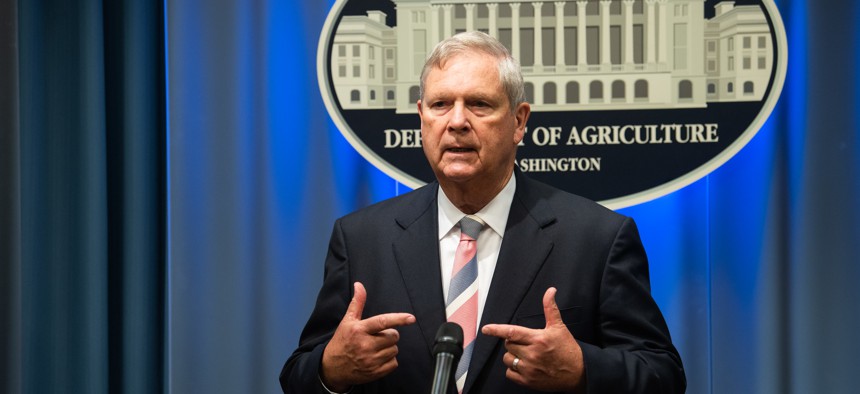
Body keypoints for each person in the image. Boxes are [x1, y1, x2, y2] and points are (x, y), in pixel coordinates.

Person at [280, 31, 685, 394]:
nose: (457, 122)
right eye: (441, 104)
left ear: (519, 122)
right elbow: (300, 374)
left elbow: (662, 375)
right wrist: (331, 371)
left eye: (478, 104)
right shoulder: (362, 239)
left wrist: (582, 369)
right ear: (421, 118)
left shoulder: (597, 238)